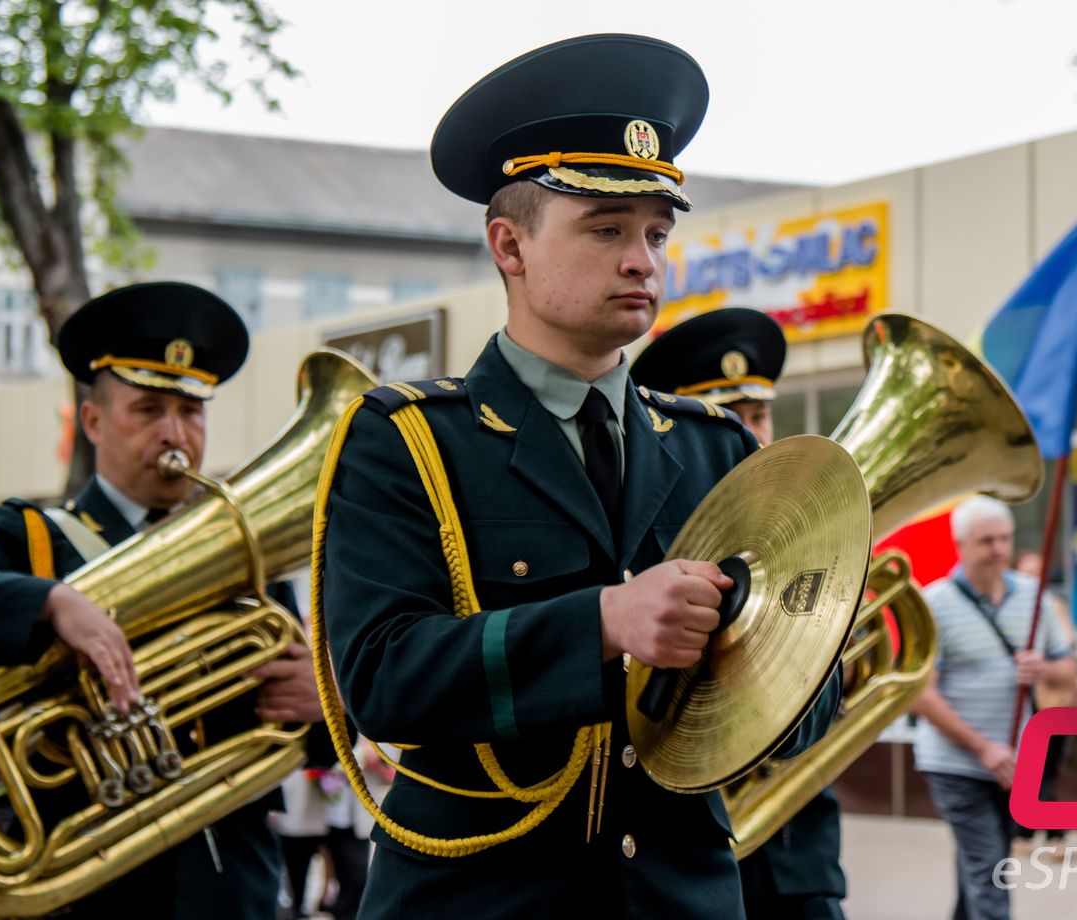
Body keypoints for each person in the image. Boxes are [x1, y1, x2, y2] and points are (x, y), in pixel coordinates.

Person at [317, 34, 840, 919]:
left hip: (680, 898)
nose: (642, 260)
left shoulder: (716, 445)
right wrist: (604, 622)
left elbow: (804, 714)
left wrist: (804, 630)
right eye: (606, 230)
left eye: (656, 233)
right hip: (474, 898)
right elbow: (379, 678)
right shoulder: (405, 437)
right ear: (509, 247)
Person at [0, 281, 326, 919]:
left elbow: (298, 730)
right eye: (148, 410)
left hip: (229, 887)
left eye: (192, 411)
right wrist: (48, 602)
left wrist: (327, 704)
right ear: (92, 421)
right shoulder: (32, 538)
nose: (176, 433)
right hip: (82, 894)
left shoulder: (248, 554)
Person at [633, 307, 847, 919]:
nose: (748, 435)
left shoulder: (808, 533)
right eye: (729, 417)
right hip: (692, 849)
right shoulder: (660, 529)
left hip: (800, 850)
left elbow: (821, 711)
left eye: (756, 415)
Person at [910, 496, 1074, 920]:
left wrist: (1044, 669)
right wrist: (983, 747)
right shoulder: (934, 603)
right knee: (990, 871)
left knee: (981, 867)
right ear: (961, 545)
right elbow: (921, 695)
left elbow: (1069, 672)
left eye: (1004, 539)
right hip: (955, 763)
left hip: (1016, 761)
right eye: (986, 541)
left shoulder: (1035, 598)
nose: (999, 550)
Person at [1007, 550, 1077, 861]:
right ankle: (1026, 833)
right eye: (1027, 573)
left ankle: (1054, 835)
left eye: (1038, 573)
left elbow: (1066, 647)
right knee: (1030, 770)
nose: (1033, 580)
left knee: (1043, 770)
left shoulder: (1052, 606)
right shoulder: (1009, 609)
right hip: (1021, 702)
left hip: (1052, 703)